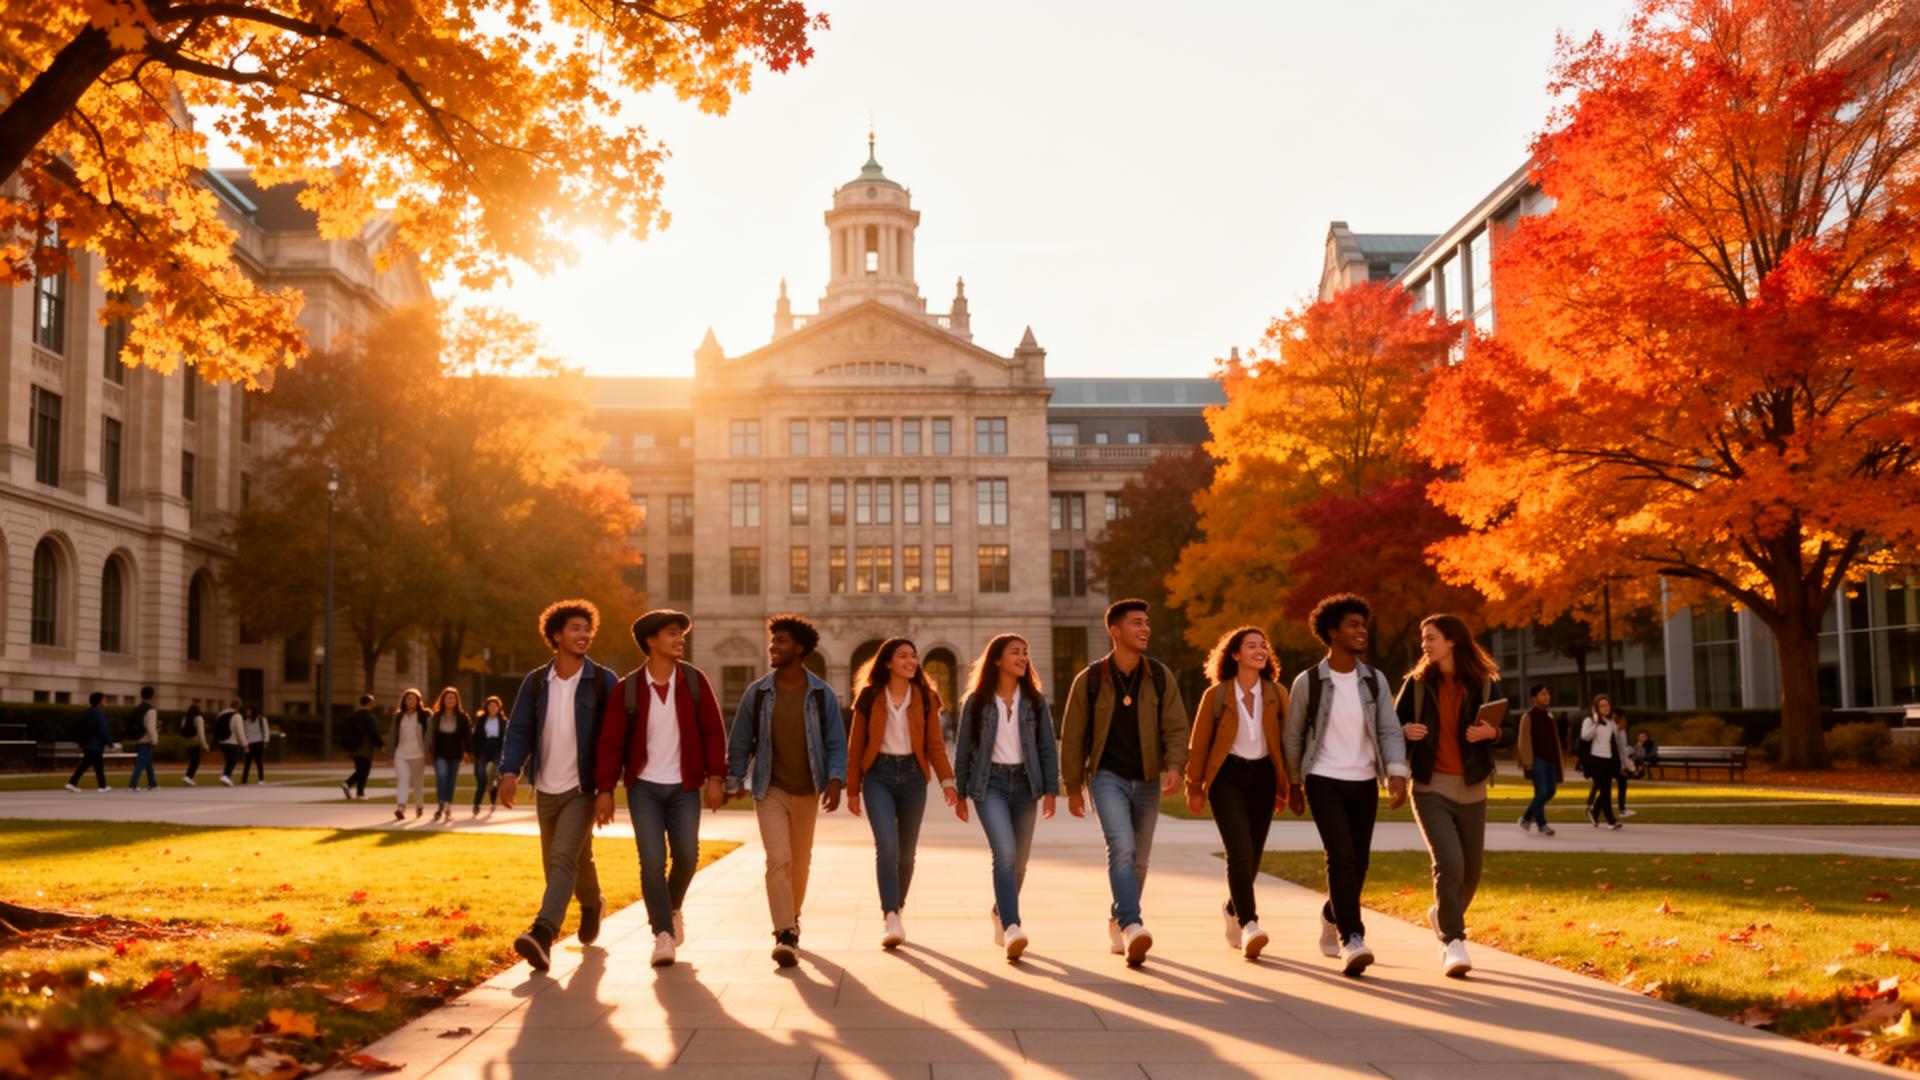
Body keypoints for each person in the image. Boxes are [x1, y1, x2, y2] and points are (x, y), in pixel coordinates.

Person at [1282, 594, 1410, 977]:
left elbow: (1389, 728)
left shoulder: (1374, 680)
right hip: (1323, 778)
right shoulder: (1310, 681)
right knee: (1341, 856)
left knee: (1360, 862)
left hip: (1364, 780)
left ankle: (1330, 914)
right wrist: (1293, 784)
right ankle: (1352, 937)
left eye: (1363, 625)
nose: (1361, 631)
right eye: (1353, 625)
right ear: (1332, 632)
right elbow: (1292, 737)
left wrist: (1398, 772)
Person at [1060, 598, 1191, 968]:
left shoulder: (1160, 676)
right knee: (1121, 846)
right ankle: (1134, 923)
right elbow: (1073, 737)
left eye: (1147, 622)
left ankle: (1119, 917)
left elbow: (1177, 728)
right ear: (1114, 631)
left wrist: (1175, 765)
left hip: (1148, 779)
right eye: (1136, 623)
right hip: (1106, 777)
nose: (1145, 628)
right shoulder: (1089, 680)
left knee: (1140, 860)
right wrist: (1072, 786)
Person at [593, 610, 727, 967]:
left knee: (687, 856)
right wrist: (605, 789)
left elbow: (714, 732)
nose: (680, 638)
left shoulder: (695, 681)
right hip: (645, 789)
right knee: (651, 862)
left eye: (681, 633)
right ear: (651, 641)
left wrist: (716, 777)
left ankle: (673, 906)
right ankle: (662, 934)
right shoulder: (629, 688)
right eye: (672, 633)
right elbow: (610, 744)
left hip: (684, 786)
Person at [501, 600, 620, 973]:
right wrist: (509, 772)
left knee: (562, 858)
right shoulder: (537, 682)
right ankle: (591, 903)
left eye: (588, 628)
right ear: (556, 635)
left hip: (582, 788)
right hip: (546, 786)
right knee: (567, 860)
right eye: (575, 628)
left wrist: (605, 789)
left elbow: (614, 740)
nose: (584, 634)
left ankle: (542, 933)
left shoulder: (603, 681)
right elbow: (519, 728)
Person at [725, 614, 847, 970]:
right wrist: (734, 779)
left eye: (780, 641)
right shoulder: (759, 693)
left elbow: (836, 743)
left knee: (800, 861)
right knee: (777, 859)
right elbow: (740, 740)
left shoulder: (822, 695)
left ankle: (791, 915)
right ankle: (784, 934)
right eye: (772, 640)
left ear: (800, 648)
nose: (772, 647)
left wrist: (836, 780)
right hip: (770, 788)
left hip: (807, 789)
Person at [1397, 612, 1512, 978]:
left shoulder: (1483, 684)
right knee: (1449, 862)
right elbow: (1390, 730)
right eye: (1423, 638)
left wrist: (1490, 735)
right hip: (1431, 788)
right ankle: (1452, 941)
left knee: (1472, 872)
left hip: (1473, 789)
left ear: (1452, 641)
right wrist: (1405, 730)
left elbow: (1506, 731)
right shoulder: (1415, 686)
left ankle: (1441, 913)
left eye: (1431, 637)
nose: (1424, 645)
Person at [1186, 627, 1290, 962]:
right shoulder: (1216, 696)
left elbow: (1289, 743)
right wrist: (1194, 786)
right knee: (1239, 852)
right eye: (1251, 646)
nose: (1260, 650)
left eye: (1263, 646)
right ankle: (1249, 923)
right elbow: (1199, 744)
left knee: (1254, 856)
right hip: (1226, 777)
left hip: (1262, 777)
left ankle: (1232, 908)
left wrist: (1291, 786)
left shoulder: (1276, 693)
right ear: (1235, 654)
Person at [846, 637, 957, 951]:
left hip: (912, 777)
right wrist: (852, 789)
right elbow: (856, 748)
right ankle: (890, 915)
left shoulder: (925, 697)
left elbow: (935, 745)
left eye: (914, 656)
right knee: (888, 846)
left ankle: (898, 907)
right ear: (887, 663)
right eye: (903, 656)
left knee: (907, 853)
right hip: (878, 775)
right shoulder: (868, 697)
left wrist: (947, 781)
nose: (911, 661)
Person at [952, 633, 1058, 961]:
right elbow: (964, 747)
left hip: (1026, 786)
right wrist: (960, 792)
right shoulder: (978, 701)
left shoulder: (1035, 701)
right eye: (1015, 652)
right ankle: (1013, 925)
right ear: (997, 659)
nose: (1023, 658)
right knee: (1005, 854)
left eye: (1025, 653)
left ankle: (1000, 911)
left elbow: (1046, 748)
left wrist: (1052, 790)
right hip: (991, 784)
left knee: (1021, 864)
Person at [1579, 695, 1631, 830]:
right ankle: (1611, 821)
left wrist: (1626, 760)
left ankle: (1594, 812)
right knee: (1606, 791)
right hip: (1595, 761)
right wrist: (1596, 722)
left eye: (1607, 705)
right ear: (1596, 708)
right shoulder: (1589, 721)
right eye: (1602, 706)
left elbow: (1618, 743)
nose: (1606, 708)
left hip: (1609, 760)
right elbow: (1585, 737)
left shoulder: (1611, 723)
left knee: (1605, 790)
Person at [1517, 684, 1563, 836]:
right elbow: (1523, 741)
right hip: (1537, 761)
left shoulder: (1549, 716)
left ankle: (1526, 817)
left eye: (1547, 693)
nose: (1547, 696)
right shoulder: (1529, 716)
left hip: (1551, 760)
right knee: (1541, 792)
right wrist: (1528, 762)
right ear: (1534, 698)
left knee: (1550, 791)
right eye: (1543, 694)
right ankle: (1542, 824)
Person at [428, 688, 472, 824]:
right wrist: (429, 753)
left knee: (451, 780)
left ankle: (448, 805)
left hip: (455, 754)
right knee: (442, 775)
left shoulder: (462, 717)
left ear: (456, 701)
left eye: (452, 698)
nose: (450, 700)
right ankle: (441, 804)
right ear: (443, 700)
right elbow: (430, 736)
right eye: (447, 698)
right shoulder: (436, 716)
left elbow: (467, 737)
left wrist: (468, 753)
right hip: (439, 753)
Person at [389, 689, 430, 821]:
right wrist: (390, 755)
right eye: (408, 698)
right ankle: (401, 807)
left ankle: (419, 805)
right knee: (403, 780)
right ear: (404, 701)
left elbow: (429, 736)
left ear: (418, 701)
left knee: (417, 782)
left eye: (413, 698)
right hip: (401, 754)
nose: (411, 701)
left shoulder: (425, 715)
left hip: (419, 754)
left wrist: (428, 753)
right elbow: (392, 736)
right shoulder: (398, 716)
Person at [64, 692, 112, 792]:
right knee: (94, 766)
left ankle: (101, 785)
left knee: (91, 765)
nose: (105, 702)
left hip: (87, 743)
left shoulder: (88, 712)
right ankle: (101, 786)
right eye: (104, 700)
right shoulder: (99, 713)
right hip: (96, 744)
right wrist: (109, 742)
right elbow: (102, 729)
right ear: (99, 701)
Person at [341, 694, 383, 800]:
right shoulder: (370, 717)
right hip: (365, 748)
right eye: (373, 702)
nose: (374, 704)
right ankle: (350, 786)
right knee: (364, 770)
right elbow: (374, 733)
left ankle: (358, 791)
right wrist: (380, 745)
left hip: (354, 748)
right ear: (369, 703)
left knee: (360, 769)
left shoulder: (354, 715)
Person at [471, 696, 508, 815]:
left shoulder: (503, 721)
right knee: (481, 776)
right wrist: (473, 752)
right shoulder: (481, 720)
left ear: (499, 707)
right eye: (490, 705)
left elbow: (507, 738)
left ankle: (493, 800)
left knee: (497, 775)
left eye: (495, 706)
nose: (492, 708)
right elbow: (475, 737)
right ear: (486, 707)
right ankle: (476, 804)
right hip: (483, 748)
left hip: (497, 748)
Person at [126, 687, 160, 791]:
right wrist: (154, 740)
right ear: (152, 696)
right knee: (140, 763)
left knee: (148, 762)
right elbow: (150, 727)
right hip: (145, 739)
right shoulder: (151, 710)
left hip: (137, 737)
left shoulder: (137, 709)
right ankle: (133, 784)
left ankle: (152, 783)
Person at [215, 699, 244, 786]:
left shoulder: (221, 714)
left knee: (228, 761)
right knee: (232, 761)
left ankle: (227, 777)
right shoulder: (237, 715)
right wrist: (245, 744)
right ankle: (226, 775)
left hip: (221, 741)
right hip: (232, 741)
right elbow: (240, 731)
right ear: (239, 705)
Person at [180, 702, 209, 786]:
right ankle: (188, 776)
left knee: (193, 760)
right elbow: (201, 733)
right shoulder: (199, 718)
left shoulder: (185, 718)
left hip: (187, 742)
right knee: (196, 761)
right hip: (195, 742)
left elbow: (182, 729)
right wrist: (204, 744)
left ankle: (189, 777)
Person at [239, 704, 269, 784]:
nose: (247, 712)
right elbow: (245, 733)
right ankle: (244, 780)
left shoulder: (262, 720)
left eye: (248, 710)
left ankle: (261, 779)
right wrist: (245, 744)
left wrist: (265, 741)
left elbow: (266, 731)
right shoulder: (246, 721)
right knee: (247, 763)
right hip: (249, 744)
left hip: (258, 743)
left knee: (259, 762)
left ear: (252, 711)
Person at [1615, 710, 1635, 818]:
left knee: (1603, 786)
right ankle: (1622, 809)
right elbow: (1622, 749)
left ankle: (1595, 809)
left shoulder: (1613, 729)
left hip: (1613, 760)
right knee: (1622, 785)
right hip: (1619, 762)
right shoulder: (1621, 731)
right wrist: (1625, 765)